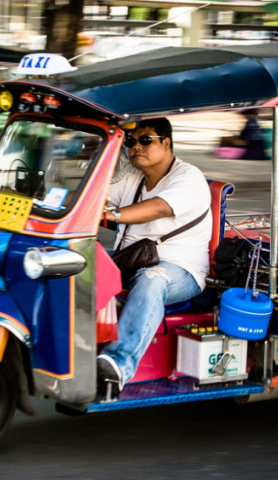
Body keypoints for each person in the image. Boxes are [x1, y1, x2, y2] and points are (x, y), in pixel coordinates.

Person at [98, 118, 212, 393]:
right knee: (78, 259)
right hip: (131, 261)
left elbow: (161, 207)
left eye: (145, 139)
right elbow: (99, 195)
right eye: (131, 141)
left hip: (180, 271)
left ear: (166, 142)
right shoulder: (132, 176)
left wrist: (113, 215)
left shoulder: (189, 177)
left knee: (153, 279)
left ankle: (118, 364)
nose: (136, 146)